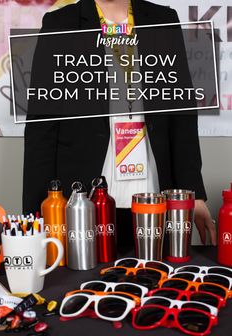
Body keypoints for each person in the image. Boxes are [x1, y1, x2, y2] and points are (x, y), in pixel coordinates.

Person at [23, 0, 217, 250]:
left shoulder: (163, 19)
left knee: (155, 282)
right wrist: (34, 215)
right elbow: (42, 123)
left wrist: (194, 195)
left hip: (153, 194)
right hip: (84, 200)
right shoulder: (61, 23)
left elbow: (181, 115)